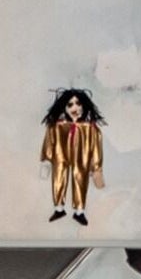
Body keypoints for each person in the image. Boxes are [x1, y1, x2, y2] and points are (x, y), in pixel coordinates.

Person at [42, 89, 105, 225]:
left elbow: (96, 148)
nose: (74, 107)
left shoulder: (90, 128)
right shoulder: (57, 126)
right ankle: (59, 208)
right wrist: (46, 160)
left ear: (84, 105)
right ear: (64, 107)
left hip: (81, 158)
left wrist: (96, 167)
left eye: (77, 103)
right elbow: (49, 142)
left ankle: (80, 211)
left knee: (80, 178)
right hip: (61, 156)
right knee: (58, 177)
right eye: (70, 104)